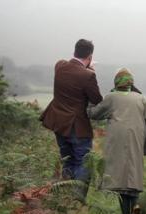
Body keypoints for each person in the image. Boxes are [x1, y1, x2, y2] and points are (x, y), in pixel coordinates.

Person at [87, 68, 146, 214]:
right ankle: (135, 207)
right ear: (131, 83)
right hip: (136, 141)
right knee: (133, 179)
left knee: (119, 182)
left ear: (116, 83)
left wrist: (90, 100)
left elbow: (94, 114)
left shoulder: (111, 97)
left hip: (116, 142)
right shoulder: (142, 99)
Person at [40, 39, 102, 193]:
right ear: (89, 56)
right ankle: (77, 199)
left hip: (58, 123)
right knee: (84, 162)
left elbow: (67, 66)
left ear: (75, 51)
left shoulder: (59, 66)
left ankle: (65, 195)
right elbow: (96, 99)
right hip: (77, 126)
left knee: (67, 159)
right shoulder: (88, 75)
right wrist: (92, 71)